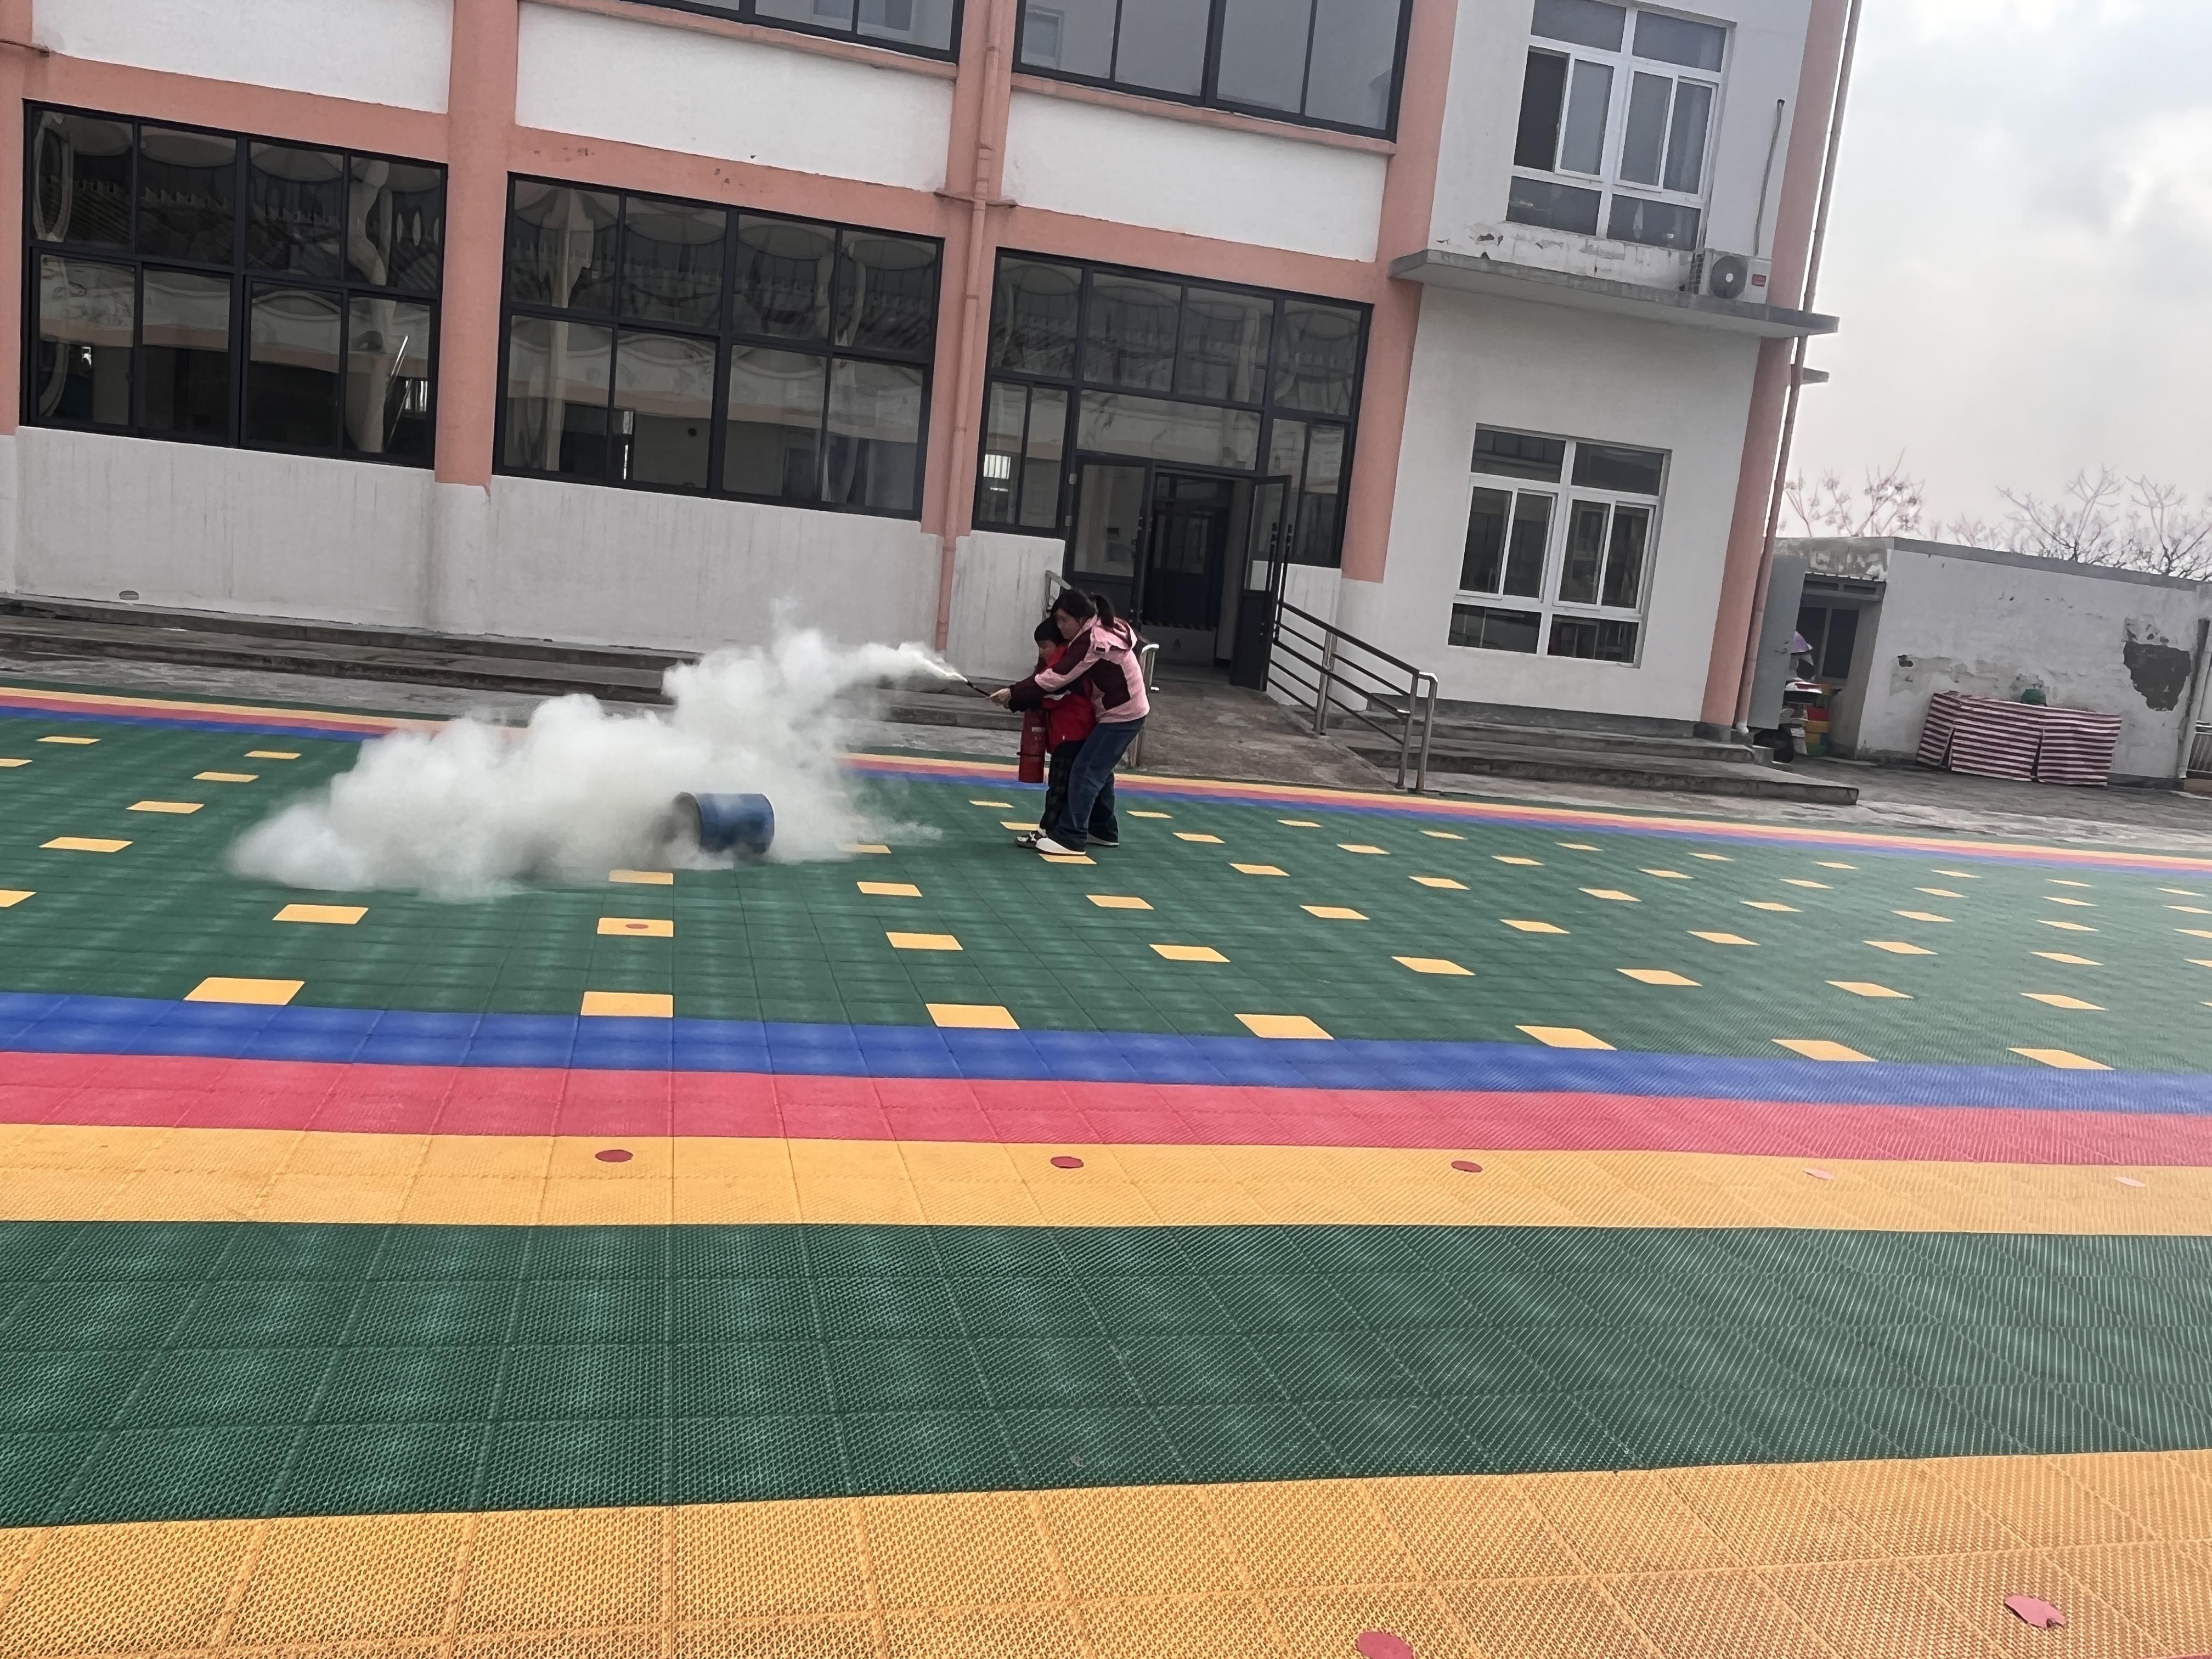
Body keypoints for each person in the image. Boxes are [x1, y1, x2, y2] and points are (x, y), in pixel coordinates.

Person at [991, 589, 1148, 856]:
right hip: (1124, 711)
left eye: (1063, 620)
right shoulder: (1106, 626)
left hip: (1122, 715)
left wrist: (1013, 693)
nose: (1060, 627)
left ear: (1081, 618)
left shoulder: (1090, 641)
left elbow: (1057, 677)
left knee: (1085, 771)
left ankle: (1071, 838)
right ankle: (1102, 830)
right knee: (1098, 772)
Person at [1015, 614, 1113, 848]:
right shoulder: (1073, 660)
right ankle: (1105, 831)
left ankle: (1048, 830)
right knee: (1097, 782)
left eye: (1044, 646)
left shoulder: (1064, 665)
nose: (1042, 653)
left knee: (1059, 787)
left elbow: (1053, 693)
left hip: (1069, 736)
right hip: (1080, 733)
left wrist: (1019, 698)